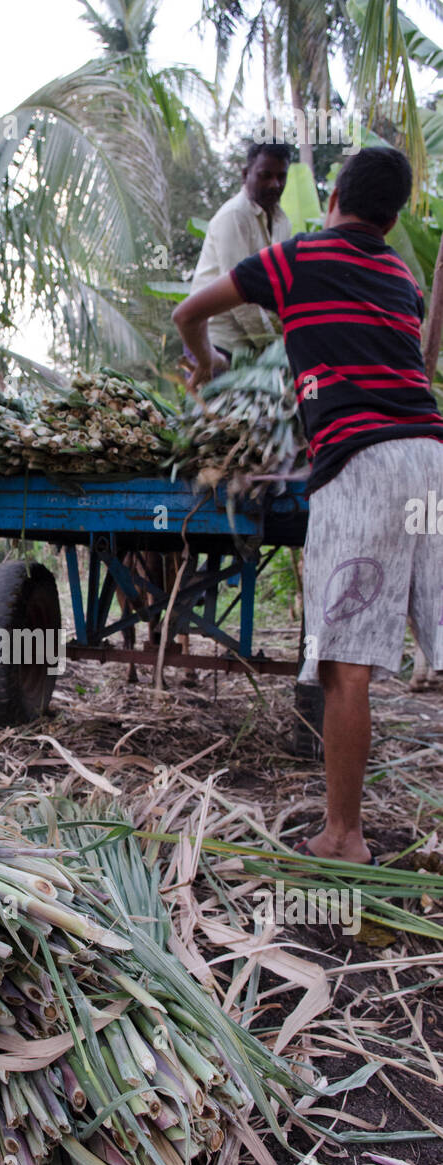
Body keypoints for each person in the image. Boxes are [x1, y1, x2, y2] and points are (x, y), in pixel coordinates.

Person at [172, 145, 443, 865]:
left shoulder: (296, 258)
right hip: (430, 460)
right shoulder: (398, 274)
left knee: (343, 663)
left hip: (364, 464)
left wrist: (202, 366)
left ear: (332, 201)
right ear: (391, 218)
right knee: (434, 648)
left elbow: (188, 310)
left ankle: (343, 836)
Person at [188, 141, 293, 363]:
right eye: (265, 175)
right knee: (211, 400)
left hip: (252, 349)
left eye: (281, 177)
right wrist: (274, 344)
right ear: (246, 174)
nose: (275, 184)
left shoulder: (283, 222)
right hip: (215, 344)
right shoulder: (234, 216)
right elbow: (239, 294)